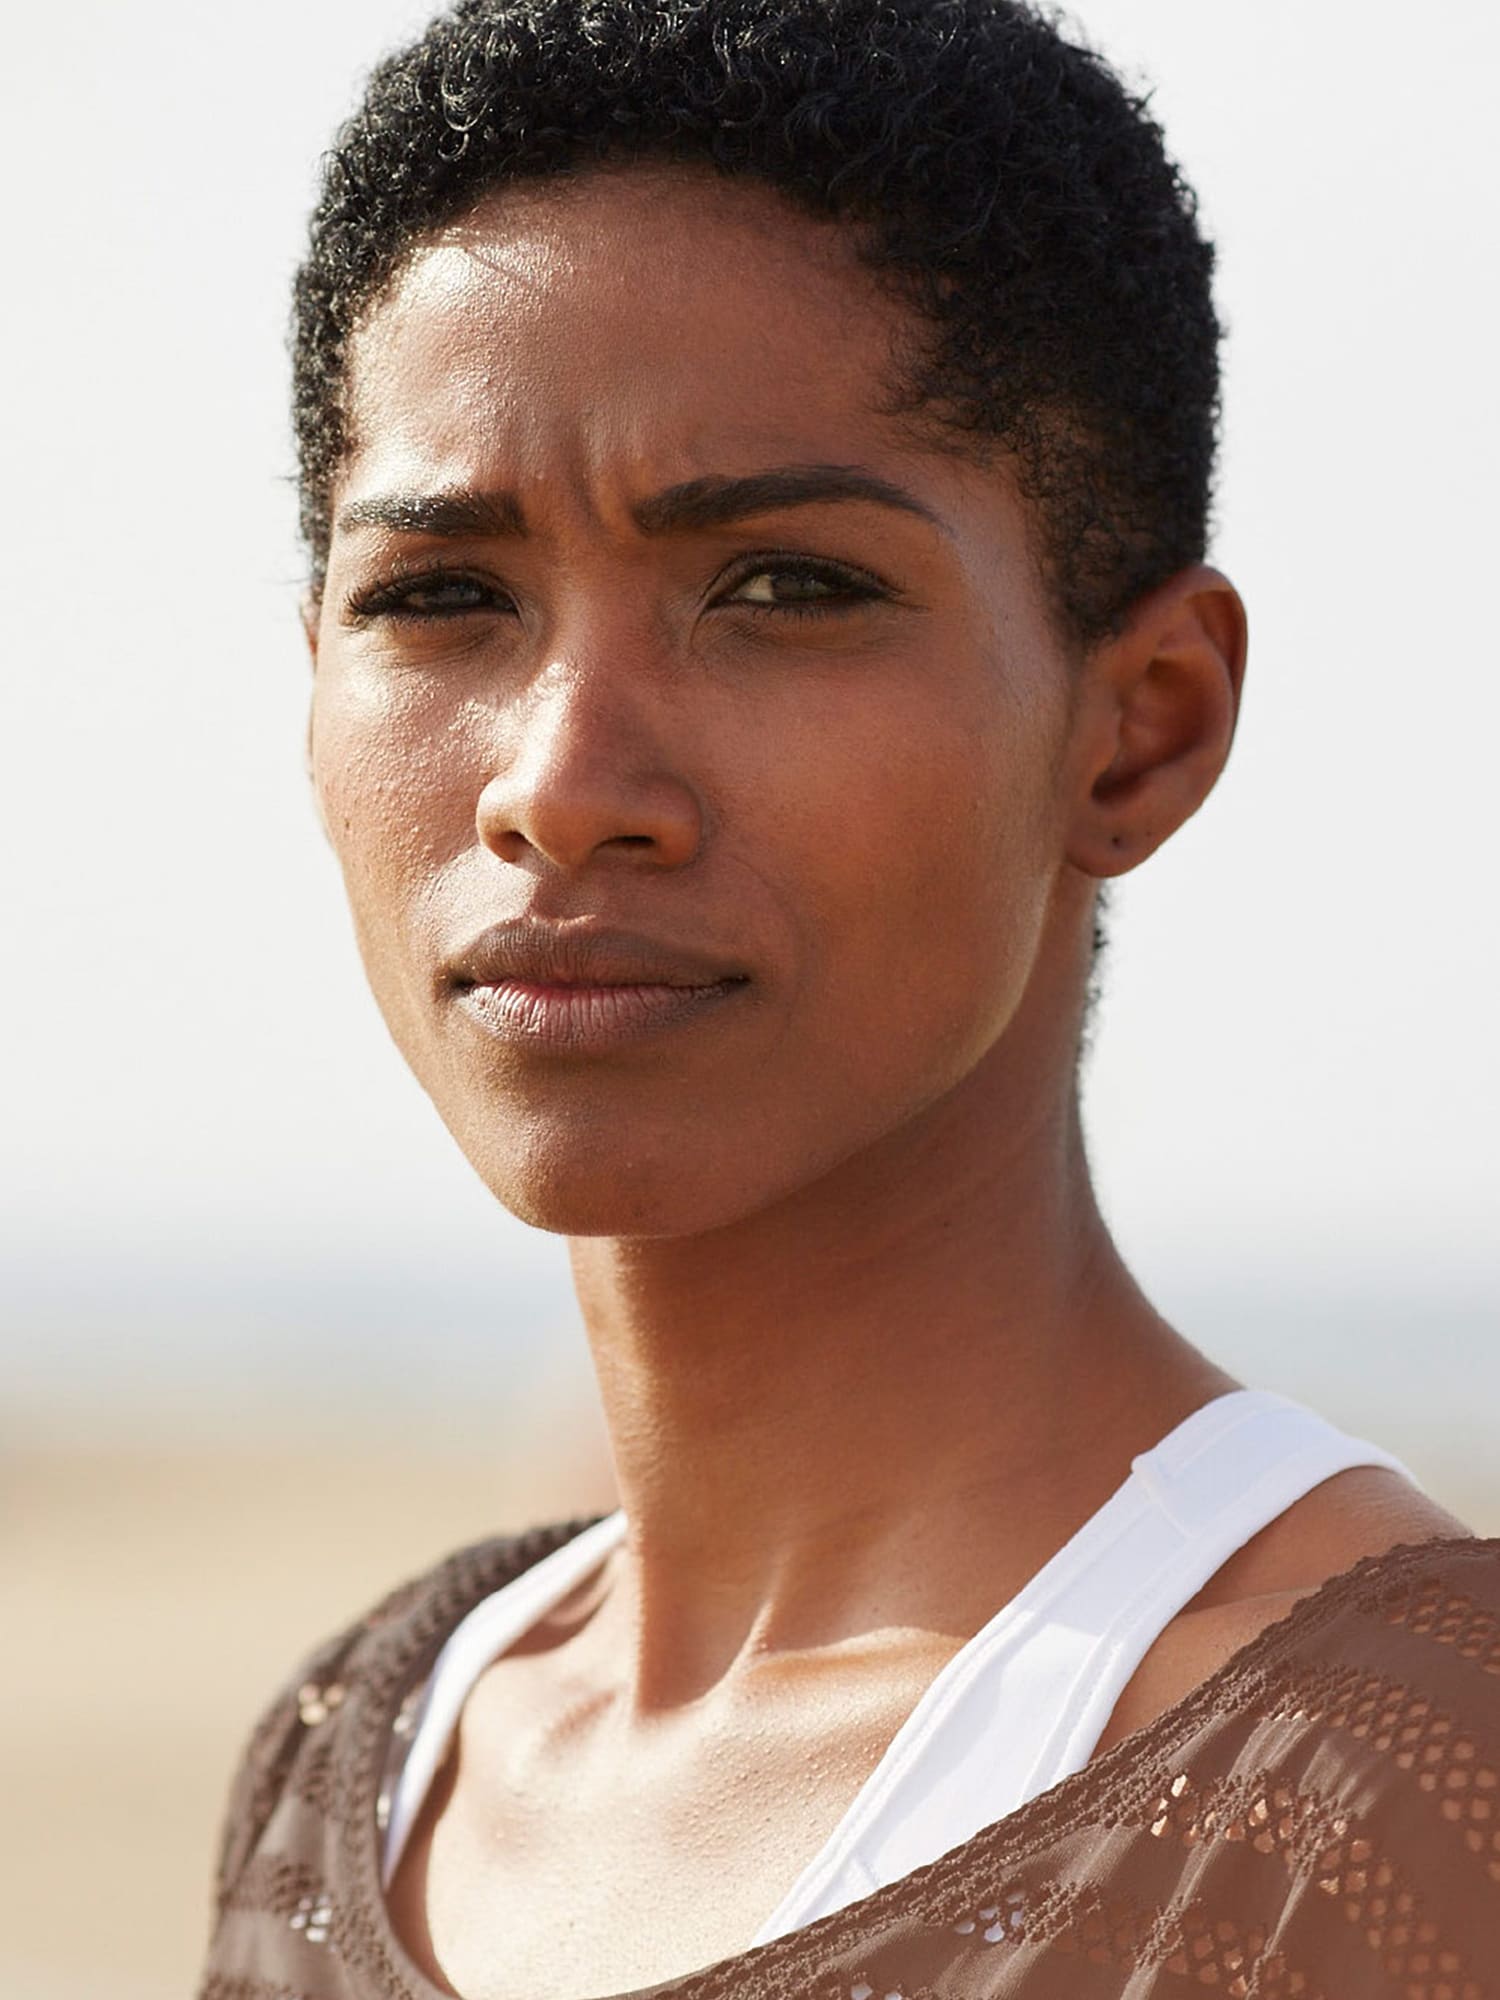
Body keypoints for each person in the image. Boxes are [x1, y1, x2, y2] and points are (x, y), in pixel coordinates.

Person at [198, 1, 1500, 1994]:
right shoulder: (354, 1771)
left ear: (1141, 729)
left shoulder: (1378, 1784)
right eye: (441, 596)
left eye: (785, 587)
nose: (557, 780)